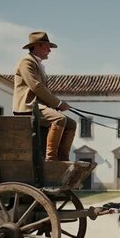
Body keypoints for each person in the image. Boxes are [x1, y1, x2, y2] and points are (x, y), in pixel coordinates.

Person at [13, 31, 76, 161]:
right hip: (28, 107)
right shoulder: (26, 62)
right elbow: (36, 86)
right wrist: (58, 104)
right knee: (58, 120)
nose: (49, 50)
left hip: (39, 107)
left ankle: (63, 159)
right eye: (47, 46)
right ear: (37, 46)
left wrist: (57, 105)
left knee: (71, 124)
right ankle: (51, 159)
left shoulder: (38, 64)